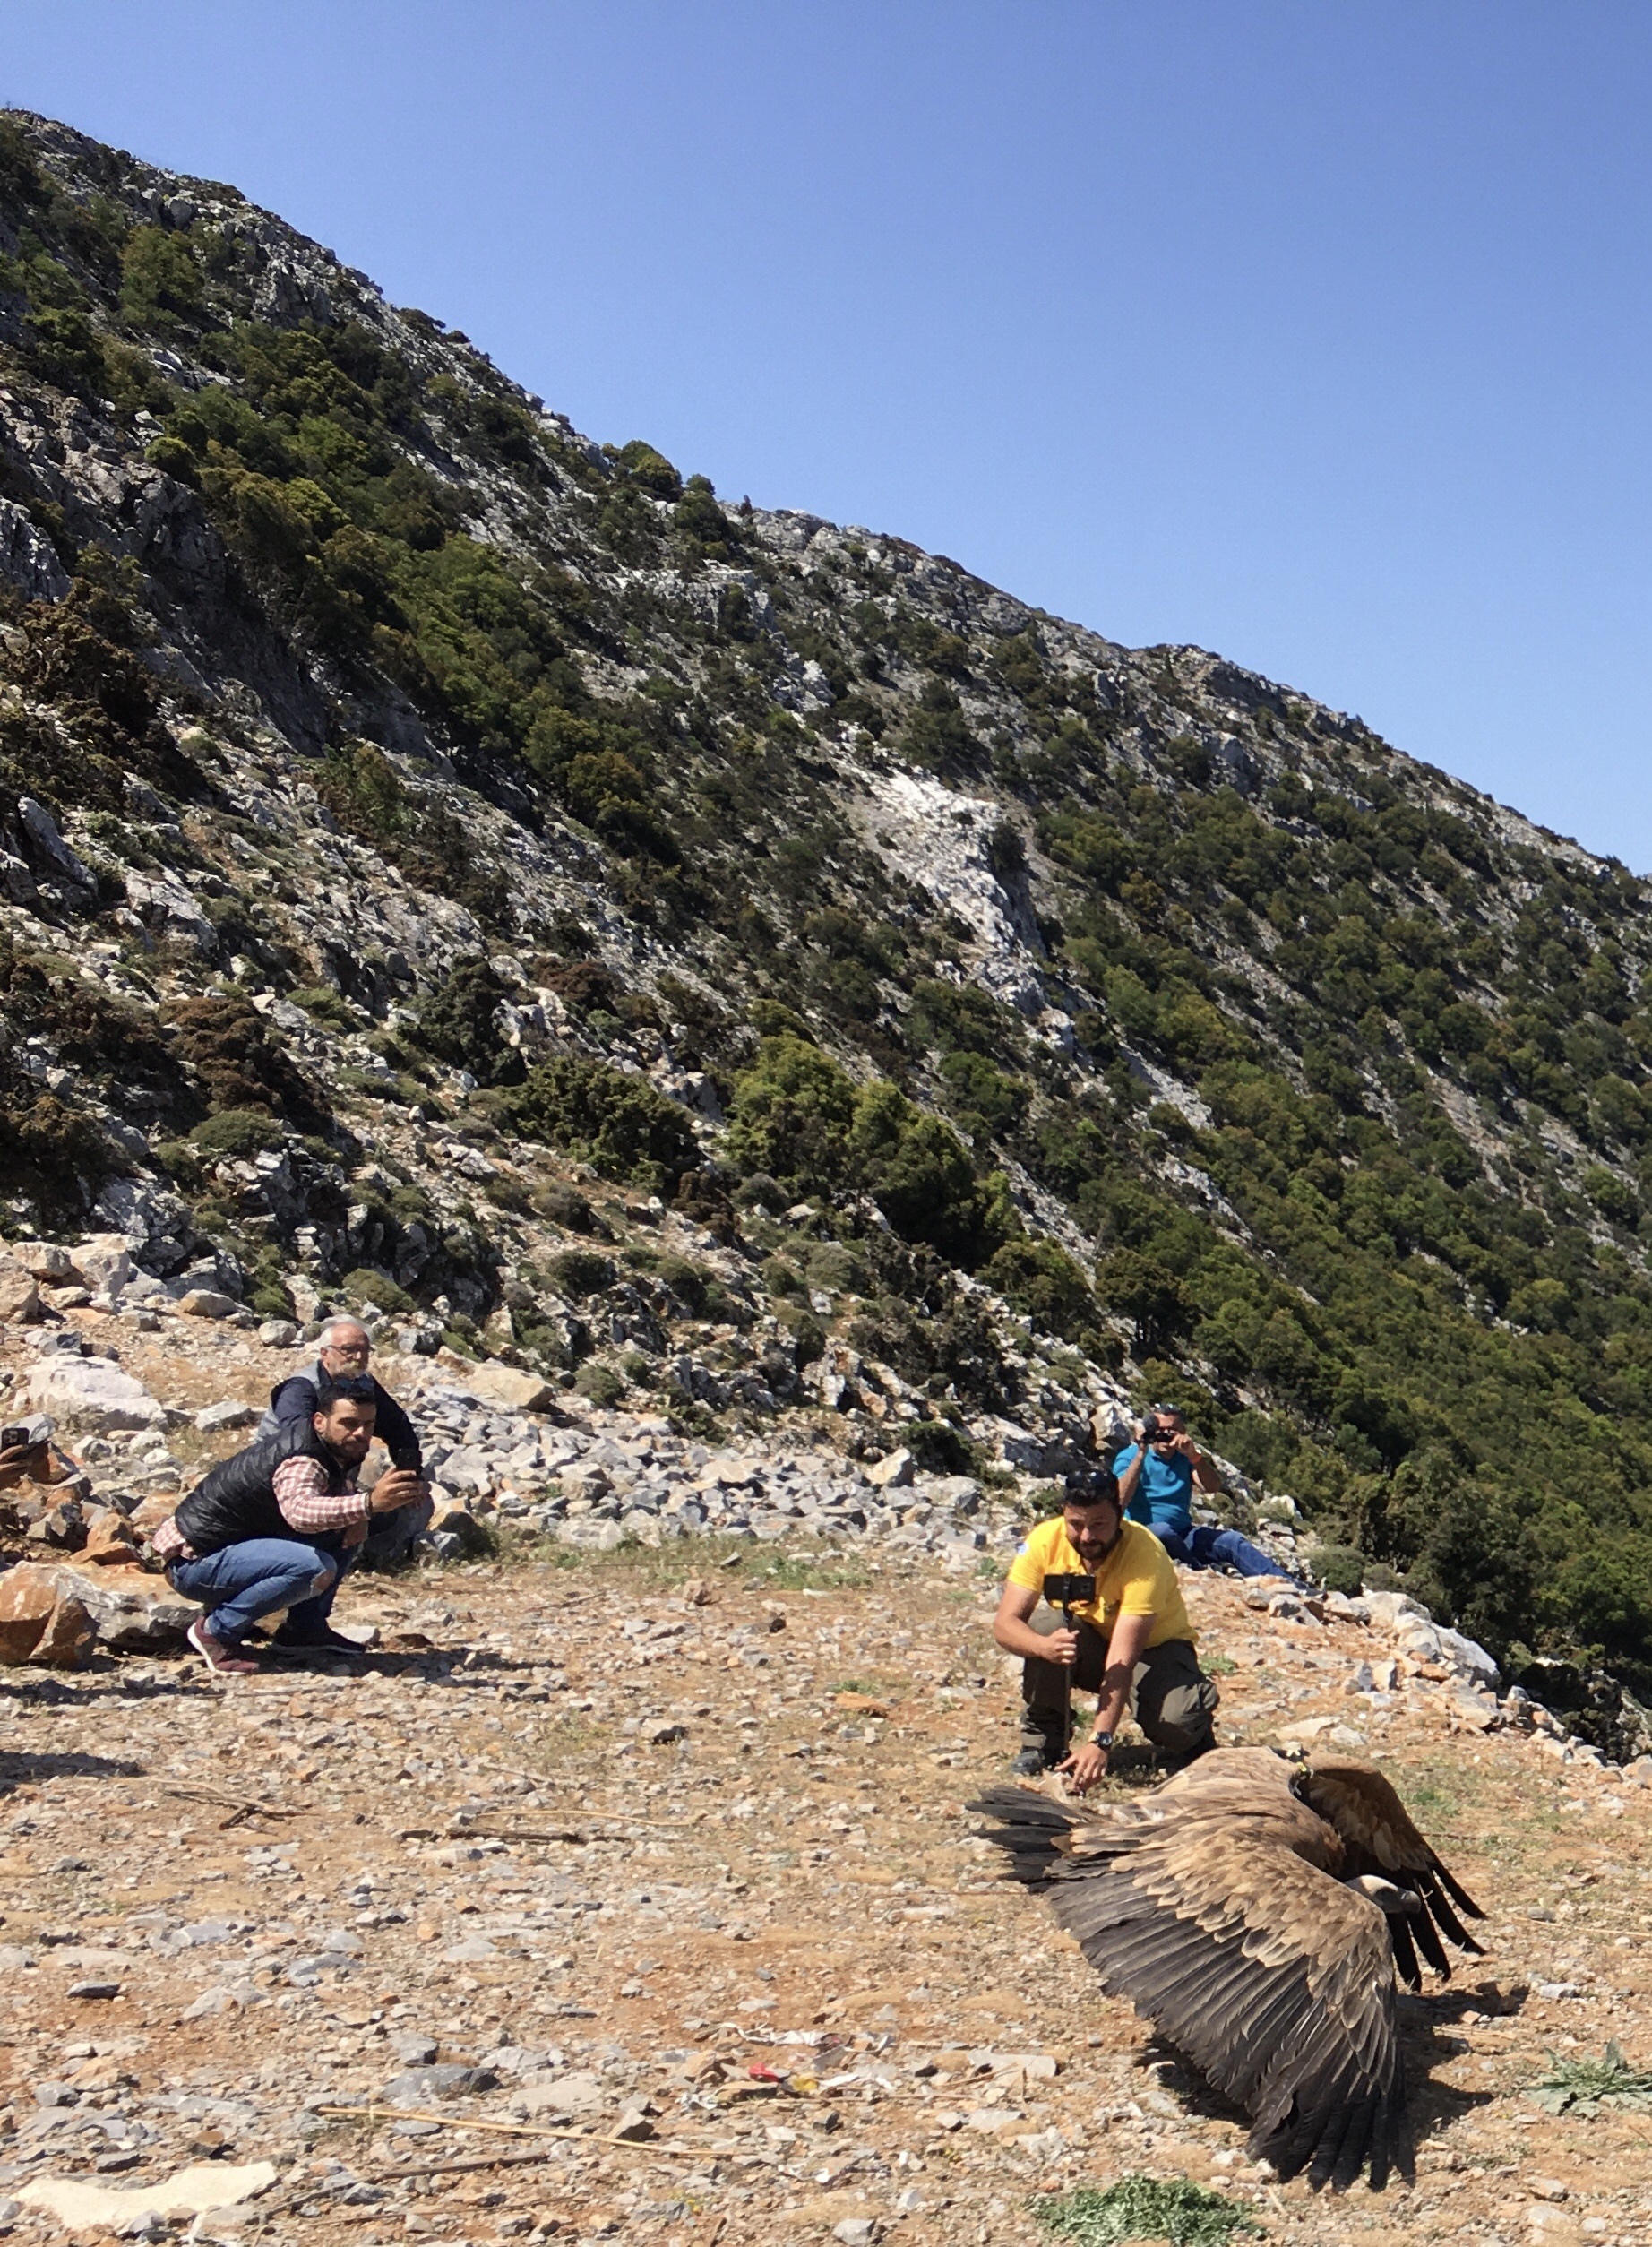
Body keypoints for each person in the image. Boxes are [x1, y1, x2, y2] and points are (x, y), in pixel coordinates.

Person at [152, 1375, 426, 1673]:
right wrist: (367, 1504)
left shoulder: (330, 1448)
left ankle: (303, 1631)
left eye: (368, 1426)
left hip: (230, 1549)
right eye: (348, 1424)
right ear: (320, 1421)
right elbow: (300, 1513)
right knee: (312, 1566)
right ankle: (216, 1631)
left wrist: (363, 1512)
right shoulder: (302, 1459)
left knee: (346, 1528)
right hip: (196, 1560)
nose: (360, 1433)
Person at [993, 1469, 1219, 1790]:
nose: (1086, 1537)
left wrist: (1100, 1741)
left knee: (1176, 1722)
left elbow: (1122, 1662)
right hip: (1093, 1641)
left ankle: (1194, 1731)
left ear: (1119, 1516)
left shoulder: (1145, 1553)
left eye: (1098, 1525)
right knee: (1046, 1627)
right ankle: (1043, 1744)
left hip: (1154, 1650)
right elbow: (1005, 1623)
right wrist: (1043, 1648)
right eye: (1076, 1524)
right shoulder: (1044, 1540)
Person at [259, 1317, 429, 1565]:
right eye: (349, 1349)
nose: (358, 1357)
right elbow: (297, 1444)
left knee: (392, 1509)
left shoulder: (363, 1383)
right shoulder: (301, 1388)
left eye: (364, 1350)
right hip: (285, 1483)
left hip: (337, 1483)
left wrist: (409, 1475)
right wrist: (353, 1508)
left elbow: (398, 1427)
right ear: (325, 1353)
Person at [1114, 1406, 1288, 1580]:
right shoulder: (1130, 1456)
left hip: (1184, 1534)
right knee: (1162, 1531)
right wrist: (1140, 1453)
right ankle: (1197, 1569)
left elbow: (1212, 1486)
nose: (1165, 1437)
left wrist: (1194, 1456)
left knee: (1232, 1541)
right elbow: (1119, 1499)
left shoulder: (1183, 1459)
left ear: (1182, 1432)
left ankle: (1290, 1585)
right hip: (1144, 1535)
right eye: (1159, 1431)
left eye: (1171, 1431)